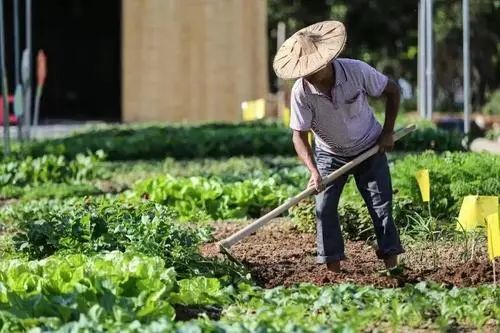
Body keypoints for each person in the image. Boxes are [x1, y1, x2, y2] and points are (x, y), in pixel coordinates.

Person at [273, 20, 404, 272]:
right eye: (304, 70)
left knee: (381, 206)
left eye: (313, 69)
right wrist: (313, 171)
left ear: (327, 61)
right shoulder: (301, 92)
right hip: (330, 153)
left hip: (370, 146)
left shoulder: (356, 71)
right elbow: (298, 136)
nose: (308, 75)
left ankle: (391, 266)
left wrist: (387, 132)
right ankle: (332, 271)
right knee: (324, 208)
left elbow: (393, 91)